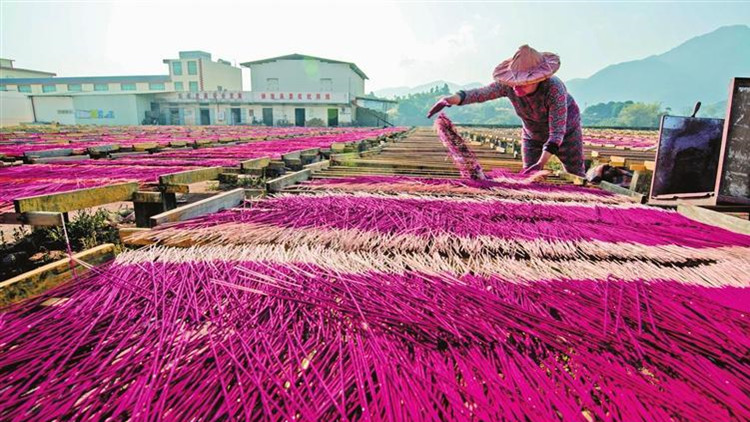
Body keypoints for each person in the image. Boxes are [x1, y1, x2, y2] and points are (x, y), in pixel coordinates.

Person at [427, 45, 585, 176]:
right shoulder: (509, 85)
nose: (516, 86)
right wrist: (450, 99)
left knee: (577, 175)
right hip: (532, 135)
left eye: (523, 82)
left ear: (539, 79)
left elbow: (557, 132)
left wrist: (542, 163)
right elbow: (480, 94)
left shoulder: (554, 89)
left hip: (566, 134)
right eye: (515, 81)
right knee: (529, 175)